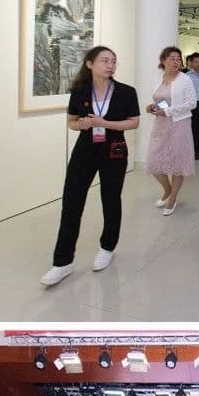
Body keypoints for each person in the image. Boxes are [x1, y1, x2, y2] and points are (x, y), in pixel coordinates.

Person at [41, 45, 142, 287]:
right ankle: (62, 262)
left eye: (113, 61)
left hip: (114, 150)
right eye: (105, 60)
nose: (110, 65)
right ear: (90, 64)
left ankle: (107, 248)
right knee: (71, 202)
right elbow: (71, 122)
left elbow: (134, 122)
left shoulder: (126, 92)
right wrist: (82, 125)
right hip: (85, 150)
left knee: (111, 199)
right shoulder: (79, 90)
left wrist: (104, 123)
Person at [146, 46, 197, 216]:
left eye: (178, 59)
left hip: (179, 125)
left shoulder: (185, 79)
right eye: (172, 58)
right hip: (161, 124)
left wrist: (167, 111)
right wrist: (152, 107)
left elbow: (192, 103)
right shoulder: (158, 77)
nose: (176, 62)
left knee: (178, 163)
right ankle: (168, 190)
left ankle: (173, 197)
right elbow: (158, 99)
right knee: (154, 160)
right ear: (163, 61)